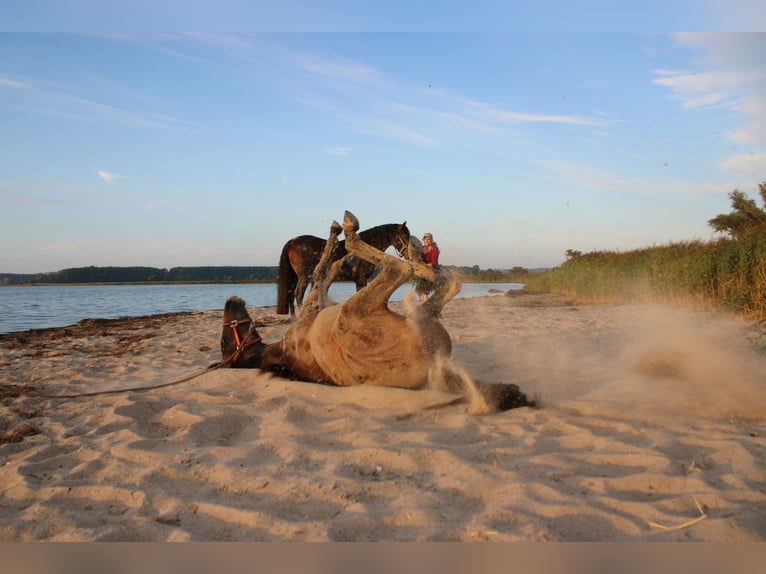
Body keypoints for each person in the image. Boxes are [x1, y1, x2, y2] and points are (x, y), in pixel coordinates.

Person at [415, 232, 440, 301]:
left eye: (428, 239)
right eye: (425, 239)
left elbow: (433, 263)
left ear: (431, 240)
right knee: (422, 291)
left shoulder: (434, 249)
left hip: (433, 270)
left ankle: (430, 305)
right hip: (424, 270)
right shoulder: (422, 249)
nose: (426, 241)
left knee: (430, 290)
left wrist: (423, 265)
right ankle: (425, 305)